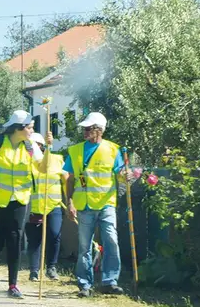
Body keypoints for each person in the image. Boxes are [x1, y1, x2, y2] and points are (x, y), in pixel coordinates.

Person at [65, 112, 127, 297]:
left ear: (99, 130)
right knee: (84, 247)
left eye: (89, 128)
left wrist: (126, 176)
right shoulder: (75, 151)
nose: (85, 131)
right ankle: (85, 284)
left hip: (106, 204)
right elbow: (69, 178)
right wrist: (69, 202)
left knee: (112, 241)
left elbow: (120, 175)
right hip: (84, 206)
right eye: (84, 128)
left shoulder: (114, 150)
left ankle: (109, 281)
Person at [0, 110, 41, 299]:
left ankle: (13, 285)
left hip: (21, 199)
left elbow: (43, 167)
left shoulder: (31, 147)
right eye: (30, 127)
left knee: (16, 239)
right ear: (19, 128)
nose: (32, 131)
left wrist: (49, 149)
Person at [26, 132, 67, 282]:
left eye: (35, 145)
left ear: (41, 146)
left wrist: (70, 201)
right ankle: (34, 270)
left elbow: (66, 178)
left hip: (54, 205)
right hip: (35, 207)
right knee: (35, 240)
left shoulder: (57, 159)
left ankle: (51, 267)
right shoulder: (28, 162)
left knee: (55, 235)